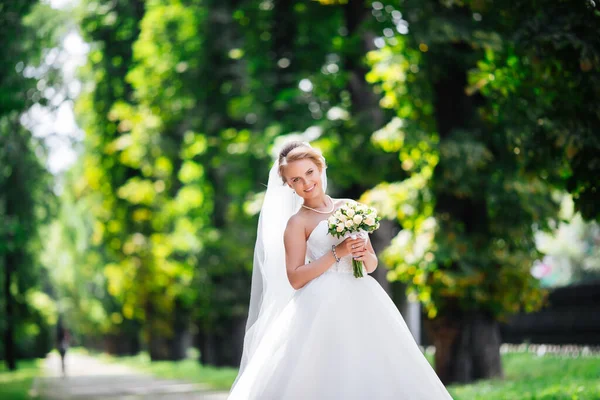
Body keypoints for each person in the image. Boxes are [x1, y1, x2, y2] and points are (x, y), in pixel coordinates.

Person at [228, 141, 453, 399]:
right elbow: (295, 277)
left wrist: (362, 253)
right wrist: (337, 253)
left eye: (309, 172)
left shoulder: (349, 207)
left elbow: (370, 265)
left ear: (320, 167)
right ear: (289, 185)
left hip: (363, 296)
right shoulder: (297, 223)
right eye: (296, 179)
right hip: (319, 304)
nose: (306, 183)